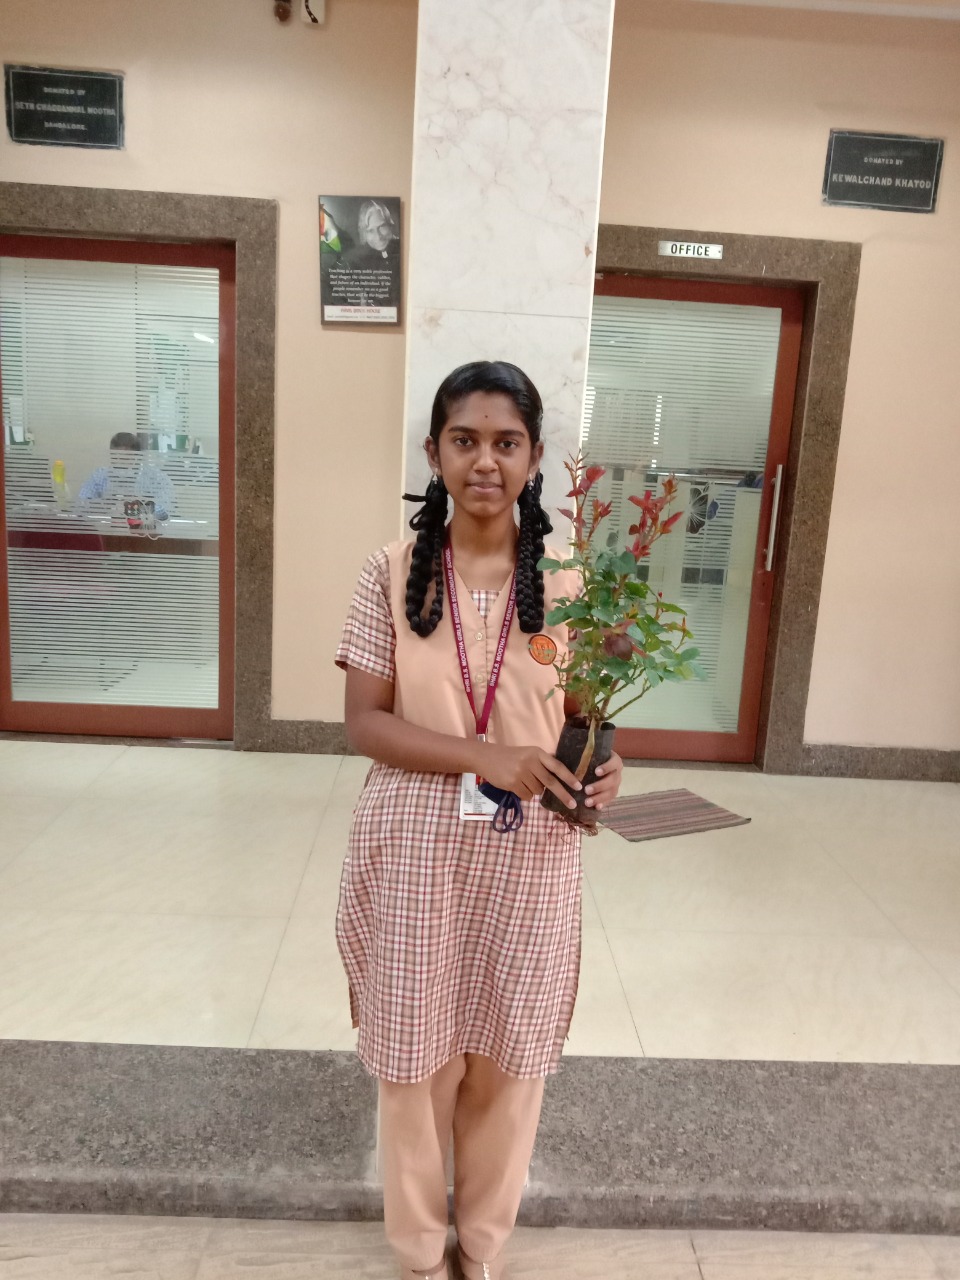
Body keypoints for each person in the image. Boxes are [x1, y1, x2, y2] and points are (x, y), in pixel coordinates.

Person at [335, 361, 624, 1280]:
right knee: (414, 1061)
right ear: (435, 453)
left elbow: (584, 718)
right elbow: (365, 723)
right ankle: (421, 1251)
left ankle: (483, 1245)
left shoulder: (572, 587)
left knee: (510, 1056)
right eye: (465, 440)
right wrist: (483, 756)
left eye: (506, 443)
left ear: (535, 459)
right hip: (414, 849)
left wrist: (604, 769)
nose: (485, 461)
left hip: (529, 855)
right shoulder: (389, 573)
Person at [78, 431, 175, 520]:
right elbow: (82, 504)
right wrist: (106, 505)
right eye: (116, 458)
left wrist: (139, 506)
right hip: (109, 527)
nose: (121, 463)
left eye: (126, 458)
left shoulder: (155, 477)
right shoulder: (99, 475)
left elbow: (165, 509)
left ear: (137, 456)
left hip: (144, 528)